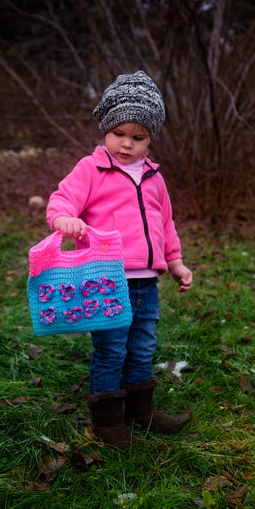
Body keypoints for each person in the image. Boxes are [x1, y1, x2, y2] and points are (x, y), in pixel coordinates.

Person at [46, 70, 193, 449]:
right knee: (111, 348)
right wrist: (64, 218)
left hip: (146, 283)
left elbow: (165, 223)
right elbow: (63, 198)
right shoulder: (91, 170)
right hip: (105, 278)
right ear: (105, 132)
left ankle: (140, 412)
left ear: (150, 139)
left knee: (143, 345)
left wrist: (175, 262)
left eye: (138, 137)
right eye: (119, 134)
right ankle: (108, 422)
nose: (127, 144)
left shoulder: (154, 177)